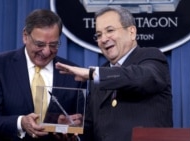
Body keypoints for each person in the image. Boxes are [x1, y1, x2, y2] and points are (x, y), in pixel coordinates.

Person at [55, 6, 173, 141]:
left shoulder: (152, 57)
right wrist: (73, 130)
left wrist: (93, 74)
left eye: (110, 30)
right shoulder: (99, 76)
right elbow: (91, 129)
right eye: (99, 35)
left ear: (131, 32)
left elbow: (139, 78)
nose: (103, 39)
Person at [0, 9, 85, 141]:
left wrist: (71, 127)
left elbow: (82, 126)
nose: (46, 52)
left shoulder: (73, 74)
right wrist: (21, 122)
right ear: (25, 36)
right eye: (39, 44)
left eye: (53, 45)